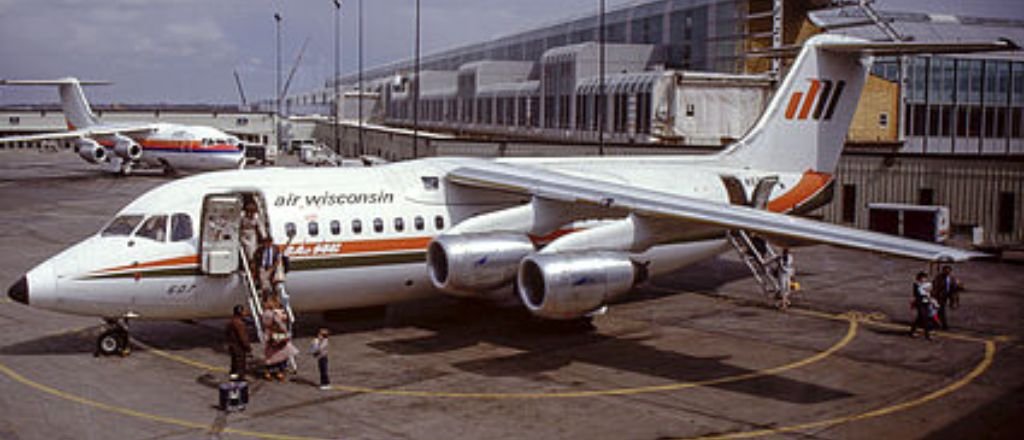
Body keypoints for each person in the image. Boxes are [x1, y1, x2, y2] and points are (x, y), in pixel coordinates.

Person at [261, 297, 297, 381]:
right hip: (277, 335)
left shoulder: (265, 314)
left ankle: (269, 372)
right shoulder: (273, 314)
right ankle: (279, 372)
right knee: (282, 354)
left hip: (269, 335)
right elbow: (280, 324)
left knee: (270, 355)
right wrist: (285, 332)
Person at [225, 304, 251, 380]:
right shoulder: (240, 324)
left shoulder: (231, 321)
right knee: (240, 366)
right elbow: (243, 337)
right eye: (243, 311)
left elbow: (226, 333)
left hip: (232, 346)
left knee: (234, 365)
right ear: (240, 313)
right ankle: (240, 381)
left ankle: (233, 378)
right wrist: (248, 347)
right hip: (239, 348)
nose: (245, 313)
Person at [909, 271, 938, 340]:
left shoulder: (928, 284)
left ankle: (912, 331)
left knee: (920, 318)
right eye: (922, 278)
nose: (923, 279)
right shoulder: (916, 284)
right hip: (920, 303)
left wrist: (932, 300)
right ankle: (927, 334)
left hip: (927, 302)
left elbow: (931, 292)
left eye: (924, 278)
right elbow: (917, 294)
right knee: (924, 318)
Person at [931, 265, 961, 330]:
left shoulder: (952, 278)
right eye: (945, 270)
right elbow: (935, 286)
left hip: (946, 296)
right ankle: (944, 325)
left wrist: (958, 285)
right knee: (941, 311)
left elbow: (955, 288)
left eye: (948, 270)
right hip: (939, 296)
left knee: (939, 311)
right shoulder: (939, 277)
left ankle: (937, 324)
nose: (947, 272)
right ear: (943, 271)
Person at [239, 200, 265, 272]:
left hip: (252, 234)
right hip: (243, 234)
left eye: (252, 212)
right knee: (245, 250)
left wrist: (263, 237)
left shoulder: (256, 217)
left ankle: (252, 266)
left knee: (252, 251)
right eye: (249, 212)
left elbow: (260, 227)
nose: (250, 214)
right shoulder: (241, 216)